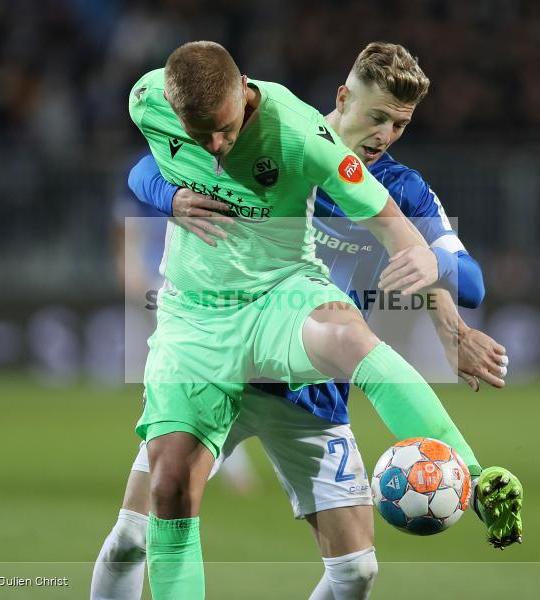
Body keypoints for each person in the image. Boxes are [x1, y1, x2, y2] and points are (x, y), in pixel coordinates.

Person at [103, 41, 516, 600]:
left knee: (357, 571)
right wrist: (171, 196)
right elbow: (149, 165)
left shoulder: (372, 174)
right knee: (136, 531)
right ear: (344, 98)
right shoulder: (169, 105)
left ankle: (471, 469)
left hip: (302, 368)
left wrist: (438, 281)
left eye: (400, 124)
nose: (386, 135)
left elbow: (463, 279)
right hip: (206, 330)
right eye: (377, 118)